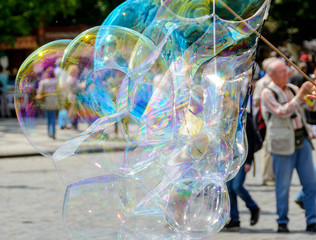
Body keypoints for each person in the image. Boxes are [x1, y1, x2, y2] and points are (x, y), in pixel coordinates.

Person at [261, 59, 316, 233]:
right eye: (282, 72)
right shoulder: (267, 93)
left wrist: (311, 97)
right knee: (282, 187)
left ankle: (312, 219)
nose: (287, 74)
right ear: (271, 75)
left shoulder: (292, 89)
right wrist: (299, 96)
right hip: (282, 145)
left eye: (286, 71)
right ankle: (282, 221)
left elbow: (310, 108)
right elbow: (281, 112)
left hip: (302, 141)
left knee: (311, 184)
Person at [225, 104, 260, 229]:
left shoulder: (244, 116)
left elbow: (250, 140)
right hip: (228, 159)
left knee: (237, 186)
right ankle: (234, 218)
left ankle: (253, 207)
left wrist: (249, 160)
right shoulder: (223, 118)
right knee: (229, 189)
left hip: (242, 158)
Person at [253, 57, 275, 186]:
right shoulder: (263, 83)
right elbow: (256, 101)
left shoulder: (275, 81)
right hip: (265, 119)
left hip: (275, 118)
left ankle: (272, 175)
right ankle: (267, 176)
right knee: (267, 148)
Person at [35, 67, 58, 139]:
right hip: (55, 101)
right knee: (53, 118)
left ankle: (49, 132)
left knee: (48, 118)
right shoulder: (56, 81)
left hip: (46, 102)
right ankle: (53, 132)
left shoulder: (43, 82)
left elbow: (39, 92)